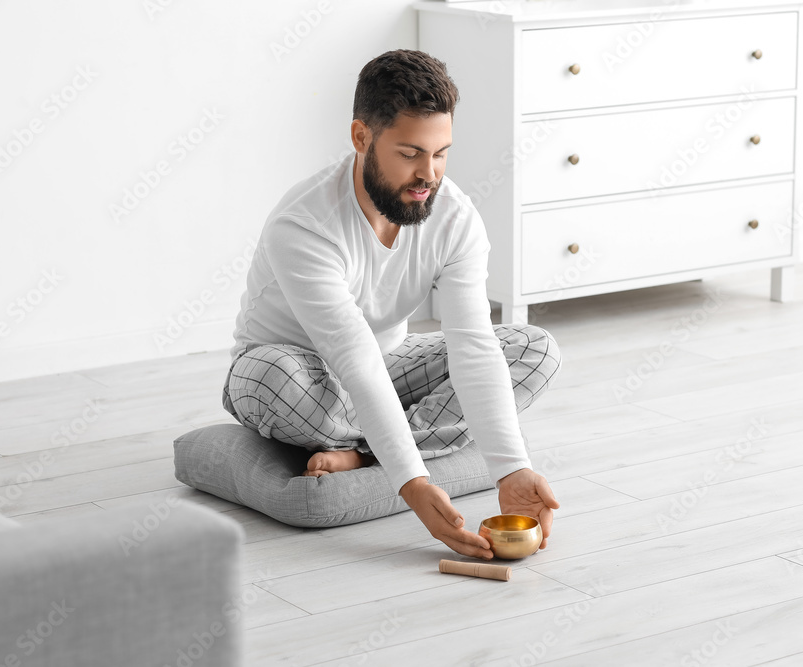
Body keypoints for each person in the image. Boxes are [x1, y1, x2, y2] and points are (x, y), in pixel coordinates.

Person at [222, 49, 562, 560]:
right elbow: (351, 359)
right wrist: (411, 483)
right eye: (410, 154)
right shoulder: (304, 225)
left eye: (441, 152)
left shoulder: (455, 218)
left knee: (533, 348)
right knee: (274, 380)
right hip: (292, 376)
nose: (429, 175)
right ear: (362, 137)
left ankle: (358, 453)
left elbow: (471, 345)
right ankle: (398, 443)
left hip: (385, 368)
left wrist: (511, 467)